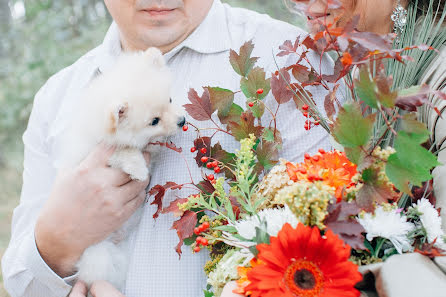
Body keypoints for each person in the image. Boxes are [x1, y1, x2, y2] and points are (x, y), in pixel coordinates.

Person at [1, 1, 334, 296]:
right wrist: (56, 242)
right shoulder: (57, 97)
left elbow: (329, 257)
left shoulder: (292, 60)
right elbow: (22, 285)